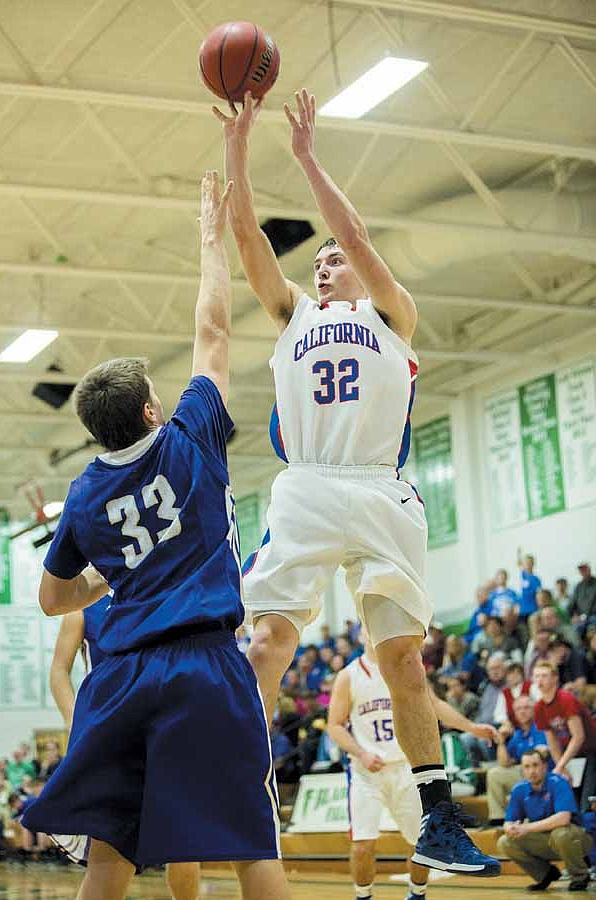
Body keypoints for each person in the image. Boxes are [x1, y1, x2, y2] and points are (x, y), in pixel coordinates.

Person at [214, 89, 499, 876]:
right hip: (307, 486)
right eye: (318, 261)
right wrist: (239, 142)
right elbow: (245, 234)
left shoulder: (392, 315)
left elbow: (356, 234)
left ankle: (437, 818)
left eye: (332, 257)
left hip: (379, 489)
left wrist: (305, 157)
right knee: (266, 639)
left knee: (402, 656)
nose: (326, 262)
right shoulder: (292, 314)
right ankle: (237, 780)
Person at [23, 172, 290, 900]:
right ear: (148, 414)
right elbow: (213, 329)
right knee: (247, 839)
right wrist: (209, 239)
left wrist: (110, 577)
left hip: (119, 679)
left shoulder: (81, 497)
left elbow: (52, 600)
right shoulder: (192, 437)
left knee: (110, 854)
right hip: (203, 662)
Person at [328, 636, 499, 900]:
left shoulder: (407, 663)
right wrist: (361, 753)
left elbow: (434, 705)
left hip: (407, 769)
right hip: (366, 773)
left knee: (421, 842)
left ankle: (417, 894)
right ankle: (363, 896)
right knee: (362, 844)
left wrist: (471, 727)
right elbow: (335, 725)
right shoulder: (349, 676)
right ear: (362, 633)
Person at [49, 599, 200, 899]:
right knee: (110, 846)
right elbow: (58, 671)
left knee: (184, 840)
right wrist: (72, 721)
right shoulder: (82, 607)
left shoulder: (159, 594)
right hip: (108, 728)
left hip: (164, 723)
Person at [497, 749, 592, 892]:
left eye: (535, 765)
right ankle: (545, 874)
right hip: (546, 840)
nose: (531, 771)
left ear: (544, 766)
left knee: (561, 834)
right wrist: (510, 828)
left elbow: (563, 818)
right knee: (505, 842)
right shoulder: (519, 789)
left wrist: (526, 828)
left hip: (578, 839)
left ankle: (580, 876)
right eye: (527, 767)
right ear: (522, 769)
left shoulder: (558, 782)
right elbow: (508, 821)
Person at [533, 660, 596, 810]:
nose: (539, 680)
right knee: (571, 801)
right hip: (573, 756)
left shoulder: (566, 699)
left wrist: (561, 765)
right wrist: (561, 766)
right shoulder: (539, 707)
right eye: (536, 676)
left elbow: (578, 736)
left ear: (555, 678)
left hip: (592, 752)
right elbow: (552, 740)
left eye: (544, 676)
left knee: (586, 804)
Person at [487, 695, 550, 826]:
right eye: (518, 709)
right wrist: (502, 741)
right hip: (525, 772)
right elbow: (504, 763)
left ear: (534, 710)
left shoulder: (541, 728)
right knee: (494, 774)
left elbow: (541, 755)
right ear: (514, 714)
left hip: (543, 773)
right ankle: (499, 818)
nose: (522, 711)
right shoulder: (518, 734)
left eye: (526, 707)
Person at [517, 551, 541, 620]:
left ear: (533, 564)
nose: (527, 564)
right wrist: (519, 554)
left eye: (529, 562)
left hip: (533, 609)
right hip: (522, 610)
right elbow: (518, 564)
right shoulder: (522, 575)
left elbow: (538, 595)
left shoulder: (536, 579)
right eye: (526, 562)